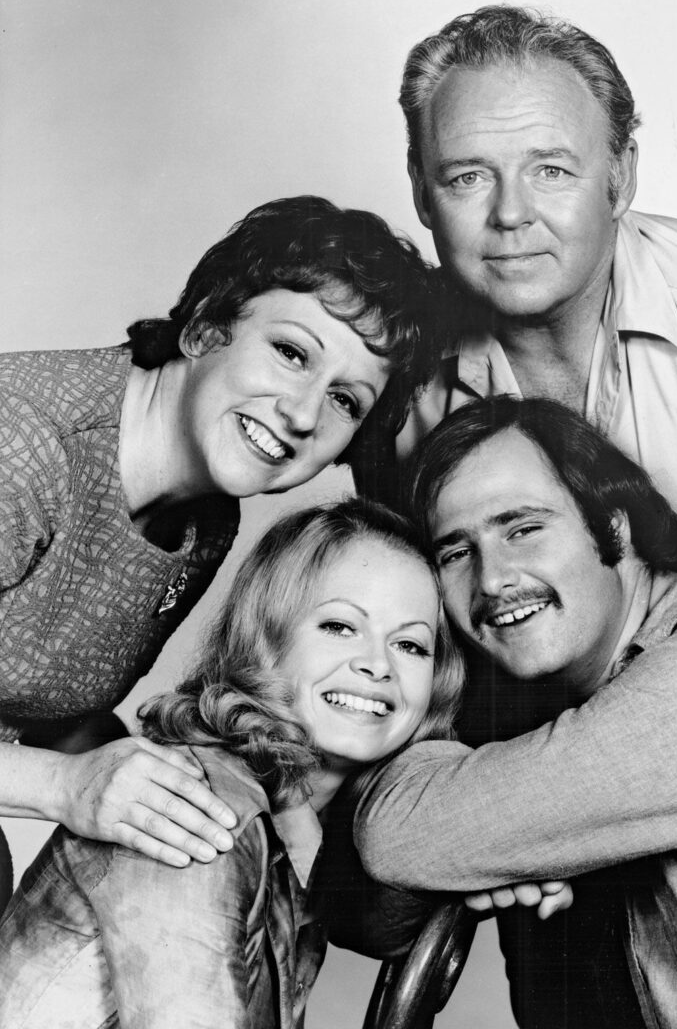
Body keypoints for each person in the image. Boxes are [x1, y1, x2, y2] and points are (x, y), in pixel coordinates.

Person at [0, 195, 442, 907]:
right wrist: (63, 786)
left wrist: (266, 802)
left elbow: (53, 706)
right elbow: (66, 769)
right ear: (205, 327)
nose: (303, 414)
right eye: (291, 353)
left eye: (345, 401)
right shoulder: (20, 446)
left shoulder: (206, 520)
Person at [355, 397, 677, 1029]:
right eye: (456, 553)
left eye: (522, 529)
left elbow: (399, 832)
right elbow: (373, 914)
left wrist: (447, 792)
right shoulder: (615, 683)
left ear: (615, 525)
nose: (492, 579)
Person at [351, 4, 677, 616]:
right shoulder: (390, 366)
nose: (511, 214)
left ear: (620, 176)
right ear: (421, 190)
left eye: (550, 170)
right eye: (468, 177)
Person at [0, 497, 464, 1029]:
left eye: (410, 645)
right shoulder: (199, 806)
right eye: (340, 626)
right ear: (267, 639)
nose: (378, 665)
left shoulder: (294, 831)